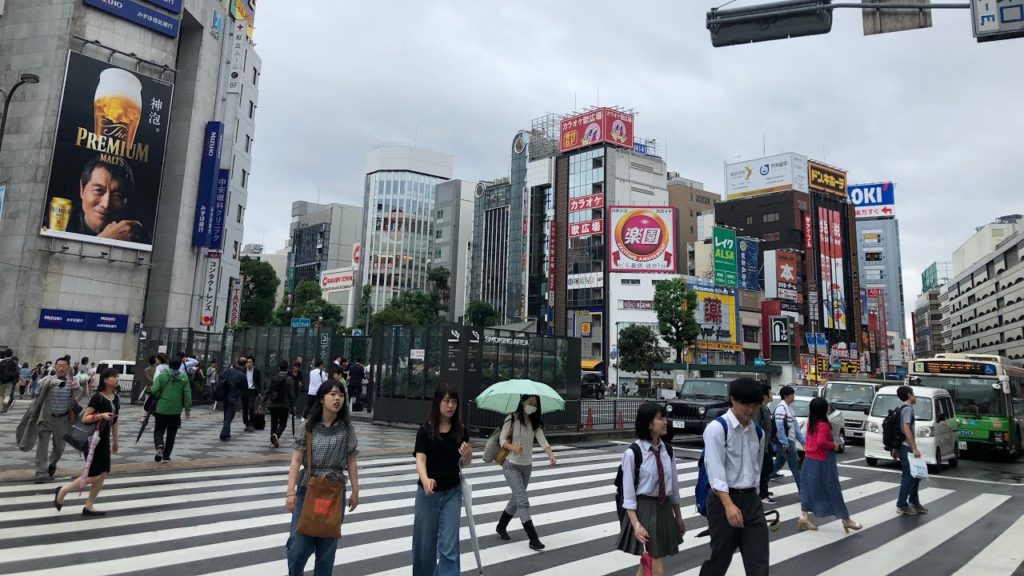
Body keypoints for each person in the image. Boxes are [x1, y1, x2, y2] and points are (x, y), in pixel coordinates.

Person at [284, 374, 359, 576]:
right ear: (321, 398)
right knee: (298, 546)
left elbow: (351, 460)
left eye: (341, 395)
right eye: (333, 394)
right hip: (308, 487)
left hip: (334, 490)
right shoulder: (307, 427)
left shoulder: (347, 429)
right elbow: (296, 461)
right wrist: (290, 492)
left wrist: (355, 491)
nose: (338, 399)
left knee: (327, 548)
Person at [699, 377, 769, 576]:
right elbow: (715, 470)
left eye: (754, 405)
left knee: (759, 561)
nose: (750, 410)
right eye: (745, 404)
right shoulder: (717, 429)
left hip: (751, 500)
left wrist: (755, 497)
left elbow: (758, 468)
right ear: (732, 400)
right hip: (723, 500)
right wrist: (728, 505)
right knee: (720, 558)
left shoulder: (758, 432)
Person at [616, 403, 686, 576]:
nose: (665, 422)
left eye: (665, 418)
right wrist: (636, 524)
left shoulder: (668, 451)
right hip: (644, 509)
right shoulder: (633, 453)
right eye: (660, 418)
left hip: (664, 509)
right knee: (657, 569)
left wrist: (678, 516)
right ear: (649, 424)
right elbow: (629, 495)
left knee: (648, 564)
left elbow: (673, 488)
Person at [412, 384, 472, 576]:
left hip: (452, 494)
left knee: (449, 546)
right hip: (427, 495)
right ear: (437, 403)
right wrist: (426, 478)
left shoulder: (461, 431)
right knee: (424, 547)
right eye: (446, 401)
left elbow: (465, 463)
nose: (450, 405)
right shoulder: (425, 431)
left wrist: (468, 454)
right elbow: (420, 460)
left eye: (454, 401)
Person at [54, 367, 120, 516]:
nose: (117, 379)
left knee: (103, 473)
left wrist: (115, 441)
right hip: (92, 439)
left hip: (104, 439)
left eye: (117, 376)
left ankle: (89, 505)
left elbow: (115, 421)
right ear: (105, 380)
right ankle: (63, 490)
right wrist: (100, 415)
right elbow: (85, 418)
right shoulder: (98, 397)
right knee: (95, 474)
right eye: (114, 376)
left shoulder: (116, 398)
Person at [494, 394, 557, 550]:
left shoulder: (534, 422)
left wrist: (550, 454)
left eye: (535, 404)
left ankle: (501, 526)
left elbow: (542, 439)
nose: (532, 406)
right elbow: (502, 439)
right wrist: (513, 447)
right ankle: (533, 539)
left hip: (527, 467)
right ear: (522, 402)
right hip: (511, 465)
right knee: (523, 501)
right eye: (530, 402)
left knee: (516, 499)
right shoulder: (512, 418)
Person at [798, 397, 862, 533]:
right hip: (823, 461)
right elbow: (821, 442)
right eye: (827, 406)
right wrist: (834, 445)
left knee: (809, 488)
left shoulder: (811, 422)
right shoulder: (823, 424)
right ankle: (846, 519)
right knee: (832, 489)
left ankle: (804, 516)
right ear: (823, 409)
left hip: (809, 459)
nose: (828, 408)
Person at [16, 357, 78, 483]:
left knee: (60, 447)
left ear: (68, 367)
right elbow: (38, 392)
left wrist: (77, 388)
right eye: (58, 365)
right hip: (46, 418)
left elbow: (79, 397)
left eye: (63, 365)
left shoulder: (72, 382)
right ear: (55, 367)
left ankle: (53, 463)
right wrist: (47, 384)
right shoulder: (47, 380)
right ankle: (40, 473)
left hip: (63, 419)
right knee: (42, 446)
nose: (60, 368)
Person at [65, 155, 148, 243]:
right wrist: (103, 241)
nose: (106, 204)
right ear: (82, 189)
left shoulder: (138, 234)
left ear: (126, 201)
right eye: (98, 190)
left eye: (117, 196)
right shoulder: (57, 223)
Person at [894, 386, 927, 515]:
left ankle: (914, 502)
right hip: (906, 447)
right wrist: (914, 448)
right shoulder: (907, 409)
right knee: (908, 476)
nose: (915, 396)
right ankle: (902, 504)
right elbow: (906, 428)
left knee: (916, 475)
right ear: (909, 395)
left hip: (902, 446)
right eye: (913, 394)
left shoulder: (900, 408)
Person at [151, 358, 192, 463]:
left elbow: (154, 390)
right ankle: (166, 455)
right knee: (172, 433)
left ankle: (159, 445)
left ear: (169, 365)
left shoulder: (162, 376)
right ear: (179, 366)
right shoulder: (183, 377)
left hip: (161, 408)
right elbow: (187, 394)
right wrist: (187, 409)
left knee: (159, 430)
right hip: (176, 410)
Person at [771, 385, 805, 489]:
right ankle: (803, 493)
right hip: (787, 443)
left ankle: (761, 486)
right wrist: (785, 443)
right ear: (786, 396)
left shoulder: (788, 408)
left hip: (788, 442)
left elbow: (795, 428)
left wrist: (803, 441)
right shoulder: (781, 409)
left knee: (777, 465)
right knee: (796, 467)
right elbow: (779, 428)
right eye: (792, 395)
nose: (793, 397)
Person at [266, 360, 297, 448]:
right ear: (287, 368)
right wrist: (293, 405)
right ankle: (277, 435)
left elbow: (268, 391)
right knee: (283, 422)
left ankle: (273, 440)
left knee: (273, 422)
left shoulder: (273, 378)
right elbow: (292, 394)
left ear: (279, 368)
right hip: (284, 404)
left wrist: (263, 403)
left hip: (273, 404)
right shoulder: (289, 379)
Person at [756, 384, 776, 505]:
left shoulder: (765, 408)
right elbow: (757, 427)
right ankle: (762, 494)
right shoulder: (759, 409)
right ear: (765, 395)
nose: (772, 394)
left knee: (768, 468)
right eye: (770, 392)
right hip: (762, 445)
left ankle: (763, 490)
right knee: (765, 468)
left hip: (767, 443)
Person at [220, 357, 248, 441]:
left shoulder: (229, 371)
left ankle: (227, 433)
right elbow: (245, 388)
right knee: (229, 416)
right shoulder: (242, 375)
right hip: (234, 397)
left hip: (226, 396)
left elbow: (221, 377)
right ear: (245, 364)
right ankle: (224, 434)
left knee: (226, 415)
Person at [243, 356, 262, 432]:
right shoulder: (244, 370)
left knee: (251, 407)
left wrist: (259, 392)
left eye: (250, 362)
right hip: (245, 390)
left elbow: (258, 382)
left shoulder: (256, 371)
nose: (248, 364)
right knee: (245, 408)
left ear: (253, 363)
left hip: (253, 390)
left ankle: (251, 424)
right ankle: (246, 423)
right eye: (247, 362)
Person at [0, 349, 17, 413]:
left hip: (1, 381)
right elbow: (15, 373)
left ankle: (1, 408)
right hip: (10, 381)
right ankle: (6, 402)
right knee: (7, 394)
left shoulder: (2, 362)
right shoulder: (13, 363)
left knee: (0, 394)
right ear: (11, 354)